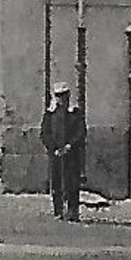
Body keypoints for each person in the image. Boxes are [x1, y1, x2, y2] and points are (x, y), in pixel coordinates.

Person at [41, 81, 86, 221]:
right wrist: (53, 148)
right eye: (59, 96)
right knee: (56, 182)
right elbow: (45, 133)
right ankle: (58, 210)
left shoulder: (75, 113)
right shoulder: (50, 114)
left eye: (64, 95)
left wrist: (69, 146)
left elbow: (80, 131)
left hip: (71, 154)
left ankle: (72, 210)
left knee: (72, 181)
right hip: (56, 154)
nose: (62, 99)